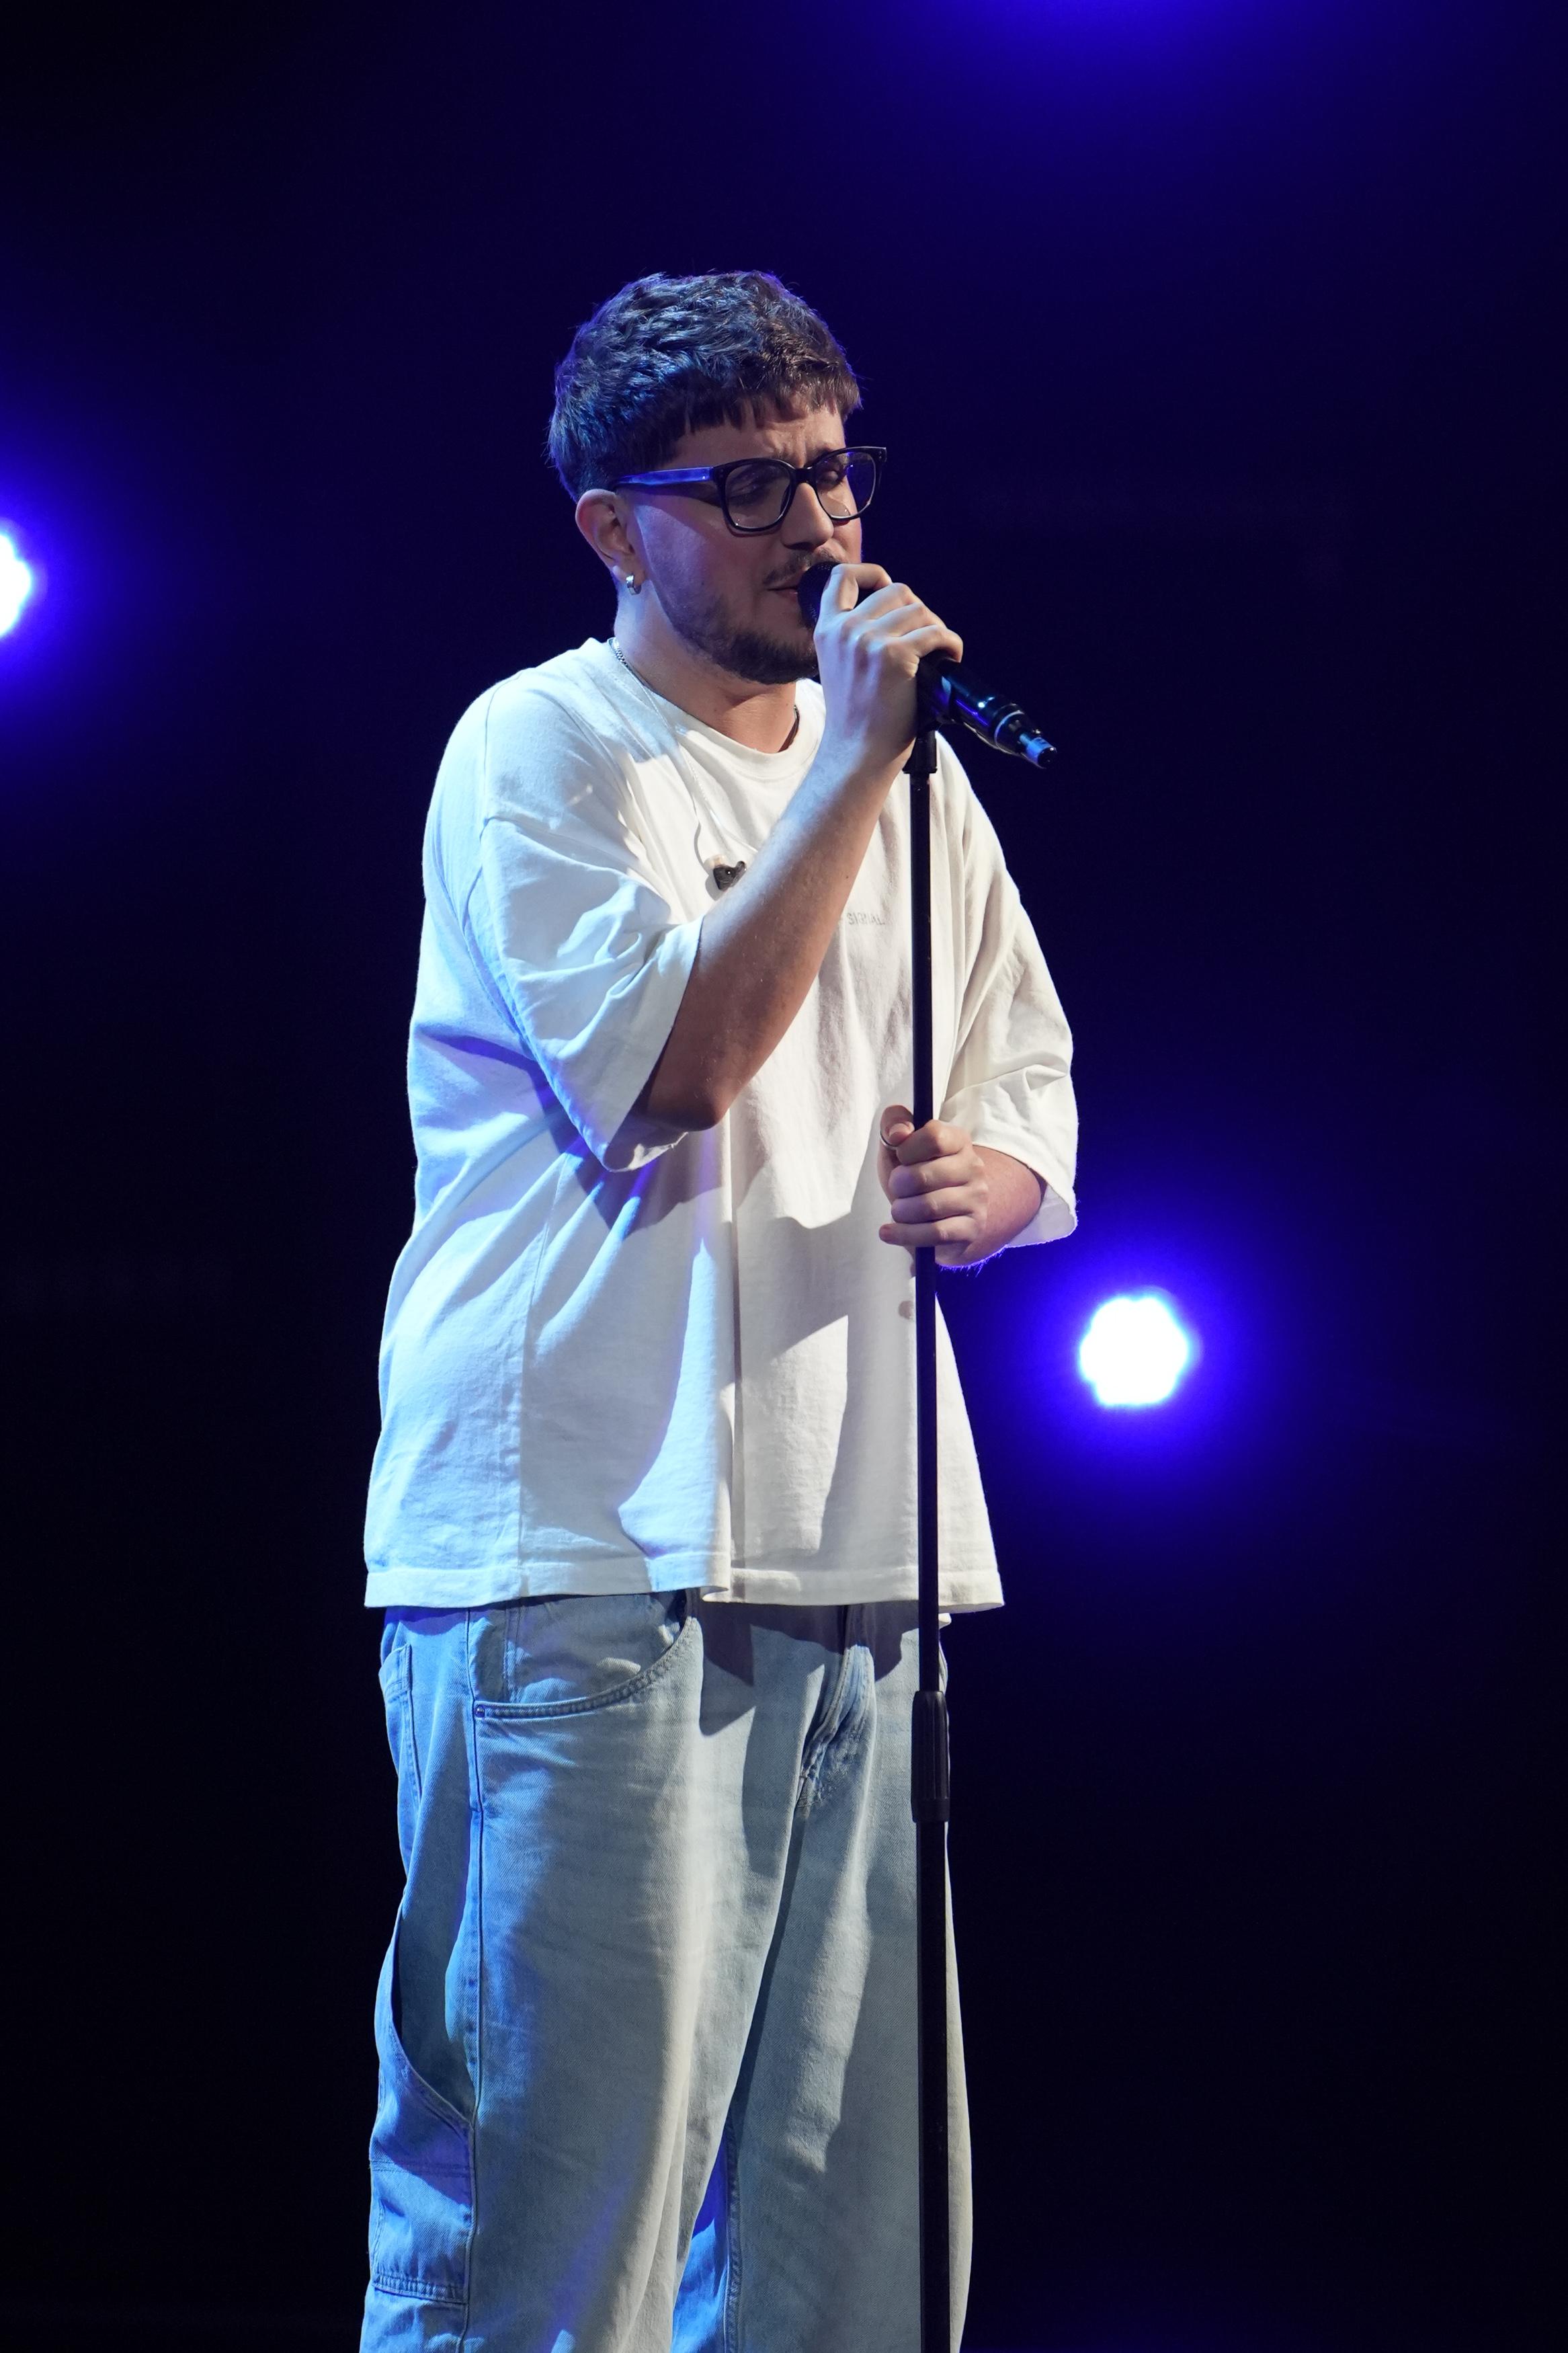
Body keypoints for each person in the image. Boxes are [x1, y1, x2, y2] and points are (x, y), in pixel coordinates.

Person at [360, 270, 1077, 2353]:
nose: (819, 522)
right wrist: (854, 758)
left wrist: (1004, 1185)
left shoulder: (917, 786)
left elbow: (1023, 1075)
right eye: (751, 485)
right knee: (551, 2225)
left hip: (863, 1552)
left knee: (849, 2251)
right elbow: (674, 1067)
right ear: (616, 525)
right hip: (589, 1552)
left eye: (834, 470)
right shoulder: (543, 746)